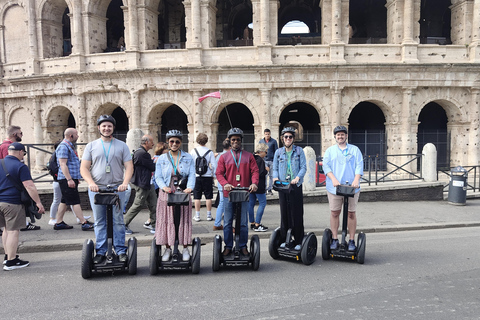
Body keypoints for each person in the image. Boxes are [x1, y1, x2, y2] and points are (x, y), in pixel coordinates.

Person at [80, 115, 133, 264]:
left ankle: (121, 249)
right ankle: (101, 251)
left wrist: (125, 182)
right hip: (97, 189)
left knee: (118, 220)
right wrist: (90, 182)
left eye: (109, 126)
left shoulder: (122, 145)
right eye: (103, 126)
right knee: (100, 221)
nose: (106, 128)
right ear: (99, 128)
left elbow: (129, 166)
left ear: (113, 128)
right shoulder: (91, 146)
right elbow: (84, 168)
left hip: (117, 188)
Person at [0, 143, 45, 270]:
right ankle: (11, 262)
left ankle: (8, 256)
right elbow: (29, 186)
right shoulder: (20, 166)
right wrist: (38, 202)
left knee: (5, 230)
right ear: (21, 152)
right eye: (24, 154)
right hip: (12, 203)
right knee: (13, 230)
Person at [216, 128, 259, 256]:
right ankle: (228, 246)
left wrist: (254, 183)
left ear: (241, 141)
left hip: (244, 192)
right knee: (228, 222)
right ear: (229, 141)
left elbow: (255, 171)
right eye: (233, 139)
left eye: (238, 140)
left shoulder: (249, 156)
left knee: (243, 223)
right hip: (229, 193)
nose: (235, 142)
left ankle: (243, 245)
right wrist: (225, 184)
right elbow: (218, 173)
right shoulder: (224, 157)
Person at [154, 130, 195, 262]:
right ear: (168, 142)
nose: (174, 144)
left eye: (177, 141)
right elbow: (158, 176)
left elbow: (192, 175)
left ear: (180, 142)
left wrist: (190, 187)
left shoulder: (188, 157)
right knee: (168, 220)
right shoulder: (162, 158)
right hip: (167, 191)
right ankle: (168, 248)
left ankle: (185, 248)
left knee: (183, 219)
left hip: (183, 191)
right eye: (172, 141)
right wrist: (163, 187)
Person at [322, 125, 363, 251]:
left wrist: (356, 179)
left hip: (352, 187)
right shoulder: (330, 151)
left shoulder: (355, 150)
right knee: (335, 212)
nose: (340, 136)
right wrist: (333, 179)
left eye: (342, 134)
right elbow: (326, 166)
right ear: (335, 136)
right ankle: (334, 238)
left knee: (351, 213)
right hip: (334, 187)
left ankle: (351, 240)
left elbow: (359, 165)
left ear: (346, 136)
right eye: (338, 135)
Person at [272, 127, 307, 250]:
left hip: (295, 186)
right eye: (286, 137)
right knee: (284, 213)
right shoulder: (279, 152)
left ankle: (298, 240)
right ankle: (284, 239)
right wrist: (275, 178)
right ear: (282, 139)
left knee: (296, 213)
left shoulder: (299, 151)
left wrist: (297, 178)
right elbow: (274, 168)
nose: (288, 139)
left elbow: (303, 167)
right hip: (283, 185)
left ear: (293, 139)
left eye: (290, 137)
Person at [0, 126, 40, 231]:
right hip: (11, 196)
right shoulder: (7, 147)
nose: (22, 135)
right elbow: (9, 168)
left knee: (7, 230)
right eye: (20, 133)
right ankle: (25, 224)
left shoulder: (5, 146)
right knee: (12, 230)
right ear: (14, 134)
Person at [53, 128, 94, 231]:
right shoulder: (63, 146)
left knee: (64, 200)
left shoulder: (69, 146)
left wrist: (75, 178)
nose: (78, 136)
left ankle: (59, 222)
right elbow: (63, 164)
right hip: (66, 179)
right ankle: (83, 222)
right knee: (75, 200)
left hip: (70, 178)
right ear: (71, 136)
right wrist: (69, 179)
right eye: (76, 134)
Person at [124, 134, 157, 235]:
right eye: (151, 142)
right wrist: (156, 162)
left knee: (154, 205)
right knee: (138, 205)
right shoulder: (143, 154)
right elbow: (152, 167)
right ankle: (123, 224)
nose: (153, 144)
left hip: (147, 183)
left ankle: (155, 225)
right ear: (146, 142)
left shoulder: (139, 152)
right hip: (142, 184)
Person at [190, 133, 216, 222]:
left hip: (196, 176)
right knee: (208, 196)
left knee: (197, 197)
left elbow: (191, 164)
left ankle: (197, 216)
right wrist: (213, 175)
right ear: (206, 141)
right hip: (207, 176)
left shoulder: (193, 151)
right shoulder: (210, 152)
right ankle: (209, 215)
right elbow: (214, 165)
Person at [248, 143, 269, 232]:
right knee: (262, 203)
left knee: (251, 204)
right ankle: (257, 224)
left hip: (250, 184)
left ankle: (252, 222)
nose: (266, 154)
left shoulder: (251, 158)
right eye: (266, 152)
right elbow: (260, 173)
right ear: (261, 152)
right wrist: (266, 170)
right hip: (259, 185)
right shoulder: (260, 160)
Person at [213, 138, 230, 231]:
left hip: (220, 182)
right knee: (224, 203)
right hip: (226, 182)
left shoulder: (219, 156)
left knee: (222, 203)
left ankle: (218, 223)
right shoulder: (227, 156)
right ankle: (219, 223)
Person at [259, 128, 278, 196]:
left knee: (271, 175)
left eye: (268, 134)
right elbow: (259, 151)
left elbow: (276, 151)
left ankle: (270, 189)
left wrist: (276, 160)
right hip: (264, 161)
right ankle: (264, 189)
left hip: (272, 160)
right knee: (265, 175)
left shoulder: (274, 141)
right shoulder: (261, 141)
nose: (267, 135)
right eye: (266, 134)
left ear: (270, 134)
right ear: (264, 134)